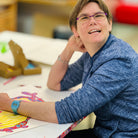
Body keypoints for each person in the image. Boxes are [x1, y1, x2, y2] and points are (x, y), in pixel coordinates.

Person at [0, 0, 138, 137]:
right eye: (84, 17)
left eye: (99, 15)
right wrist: (69, 48)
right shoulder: (94, 53)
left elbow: (66, 111)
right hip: (106, 131)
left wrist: (10, 104)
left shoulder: (118, 60)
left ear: (110, 24)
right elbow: (56, 83)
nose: (92, 21)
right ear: (75, 30)